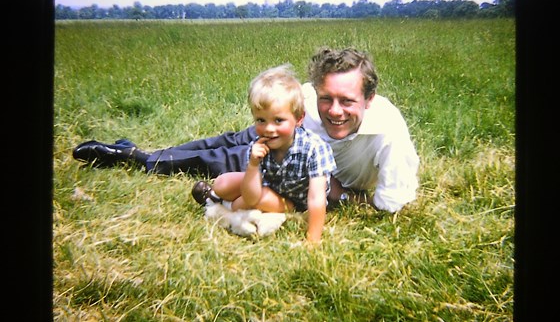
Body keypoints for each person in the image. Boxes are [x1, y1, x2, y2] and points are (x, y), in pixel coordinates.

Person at [73, 47, 420, 213]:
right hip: (283, 131)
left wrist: (341, 193)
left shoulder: (390, 136)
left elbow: (389, 206)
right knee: (221, 142)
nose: (334, 111)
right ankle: (147, 154)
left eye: (347, 101)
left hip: (297, 162)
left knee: (216, 161)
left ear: (369, 98)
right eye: (325, 98)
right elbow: (283, 108)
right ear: (313, 92)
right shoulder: (306, 101)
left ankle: (134, 157)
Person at [193, 65, 336, 243]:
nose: (269, 129)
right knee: (222, 182)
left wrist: (312, 240)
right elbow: (250, 192)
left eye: (278, 120)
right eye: (261, 120)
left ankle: (224, 206)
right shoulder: (258, 145)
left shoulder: (314, 148)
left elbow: (316, 198)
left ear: (299, 119)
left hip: (294, 202)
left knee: (247, 201)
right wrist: (253, 164)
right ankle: (216, 197)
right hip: (268, 186)